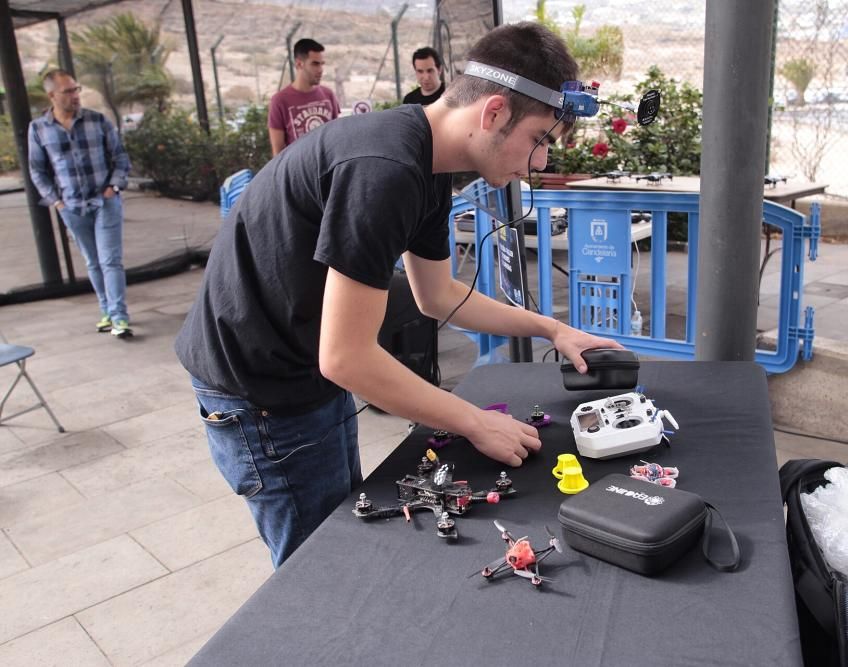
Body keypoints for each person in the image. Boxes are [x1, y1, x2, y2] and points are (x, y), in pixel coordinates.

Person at [175, 22, 622, 568]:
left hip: (305, 372)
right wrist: (474, 421)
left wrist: (551, 328)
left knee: (344, 537)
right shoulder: (384, 169)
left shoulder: (427, 162)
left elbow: (437, 295)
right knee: (318, 571)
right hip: (260, 394)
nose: (541, 163)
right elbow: (346, 356)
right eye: (539, 140)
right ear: (495, 113)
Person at [28, 69, 132, 338]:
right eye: (68, 91)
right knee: (93, 261)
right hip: (71, 206)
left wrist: (113, 187)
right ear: (52, 95)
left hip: (104, 202)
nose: (75, 95)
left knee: (110, 260)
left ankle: (120, 317)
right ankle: (107, 311)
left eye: (76, 89)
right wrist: (57, 202)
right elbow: (37, 170)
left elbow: (121, 157)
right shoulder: (38, 129)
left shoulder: (97, 121)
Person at [268, 38, 341, 156]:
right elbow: (278, 151)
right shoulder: (280, 100)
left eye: (322, 64)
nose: (320, 70)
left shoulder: (328, 95)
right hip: (299, 170)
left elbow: (335, 136)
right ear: (299, 64)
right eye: (315, 64)